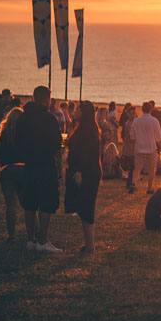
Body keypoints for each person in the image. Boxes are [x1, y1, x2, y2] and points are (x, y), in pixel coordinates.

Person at [16, 85, 64, 253]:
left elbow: (17, 140)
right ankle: (43, 240)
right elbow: (57, 144)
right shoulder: (49, 119)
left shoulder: (23, 118)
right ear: (46, 100)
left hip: (28, 165)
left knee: (29, 202)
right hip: (45, 165)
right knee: (47, 202)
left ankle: (31, 239)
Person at [64, 101, 102, 253]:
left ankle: (90, 245)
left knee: (86, 206)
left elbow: (86, 153)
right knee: (82, 206)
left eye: (77, 109)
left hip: (87, 172)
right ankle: (88, 244)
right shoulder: (83, 128)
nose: (74, 111)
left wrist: (79, 172)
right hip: (86, 170)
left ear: (84, 112)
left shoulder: (87, 130)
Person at [0, 106, 25, 242]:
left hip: (7, 170)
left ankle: (11, 235)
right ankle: (34, 234)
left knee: (10, 205)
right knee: (28, 205)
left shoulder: (5, 133)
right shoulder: (26, 133)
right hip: (23, 169)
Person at [130, 102, 161, 195]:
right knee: (152, 169)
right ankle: (149, 188)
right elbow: (159, 136)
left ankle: (133, 183)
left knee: (137, 168)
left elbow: (132, 136)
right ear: (151, 109)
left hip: (139, 146)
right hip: (151, 147)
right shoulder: (154, 121)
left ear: (142, 109)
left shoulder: (136, 120)